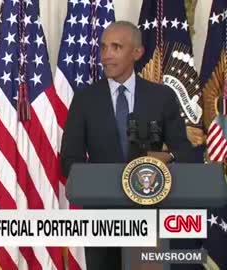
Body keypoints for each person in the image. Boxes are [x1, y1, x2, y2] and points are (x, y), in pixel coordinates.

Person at [60, 21, 194, 270]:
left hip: (149, 215)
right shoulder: (85, 99)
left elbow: (185, 151)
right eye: (103, 48)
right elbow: (69, 161)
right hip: (101, 218)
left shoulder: (162, 96)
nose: (106, 55)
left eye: (116, 47)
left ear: (137, 52)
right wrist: (106, 181)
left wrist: (168, 157)